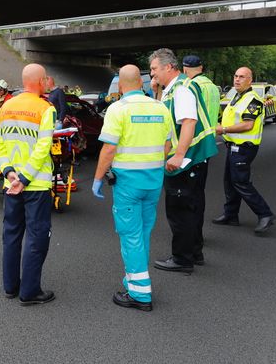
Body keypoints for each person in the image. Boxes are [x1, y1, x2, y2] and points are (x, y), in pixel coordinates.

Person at [91, 65, 172, 312]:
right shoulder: (160, 107)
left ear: (121, 86)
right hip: (154, 181)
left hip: (128, 183)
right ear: (142, 83)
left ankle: (139, 294)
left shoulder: (118, 109)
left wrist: (97, 178)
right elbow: (167, 145)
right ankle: (135, 278)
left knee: (131, 235)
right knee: (143, 232)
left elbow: (109, 149)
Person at [0, 63, 56, 306]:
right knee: (36, 236)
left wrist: (9, 173)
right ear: (40, 82)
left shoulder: (5, 107)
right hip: (35, 185)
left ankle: (11, 286)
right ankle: (29, 292)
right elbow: (43, 147)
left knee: (11, 234)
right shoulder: (45, 109)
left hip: (11, 184)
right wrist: (26, 178)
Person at [150, 48, 217, 273]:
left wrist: (178, 155)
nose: (152, 75)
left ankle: (182, 259)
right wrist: (157, 91)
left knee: (179, 211)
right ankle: (194, 253)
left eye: (154, 69)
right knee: (192, 207)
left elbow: (188, 121)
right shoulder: (173, 88)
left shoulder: (182, 88)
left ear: (169, 67)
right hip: (195, 158)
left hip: (188, 159)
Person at [213, 67, 276, 234]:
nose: (237, 79)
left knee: (241, 182)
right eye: (235, 76)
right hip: (233, 146)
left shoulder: (253, 99)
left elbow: (248, 125)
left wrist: (223, 130)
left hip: (244, 148)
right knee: (229, 181)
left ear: (250, 80)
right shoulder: (237, 97)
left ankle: (265, 214)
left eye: (242, 77)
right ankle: (231, 215)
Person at [181, 55, 221, 262]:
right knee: (199, 193)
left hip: (195, 144)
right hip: (209, 142)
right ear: (202, 67)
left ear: (185, 69)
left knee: (189, 197)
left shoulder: (191, 86)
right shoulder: (212, 87)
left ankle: (194, 241)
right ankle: (198, 236)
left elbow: (189, 118)